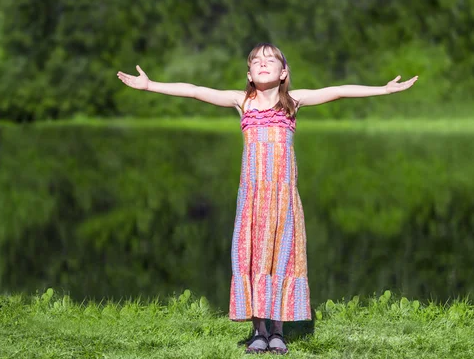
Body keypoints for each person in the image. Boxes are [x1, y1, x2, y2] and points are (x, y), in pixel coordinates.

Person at [117, 43, 418, 354]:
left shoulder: (293, 102)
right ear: (249, 74)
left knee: (282, 258)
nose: (263, 63)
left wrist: (384, 90)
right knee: (254, 258)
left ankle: (278, 331)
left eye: (270, 60)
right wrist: (150, 85)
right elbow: (194, 90)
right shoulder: (243, 102)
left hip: (284, 200)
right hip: (253, 199)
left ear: (283, 72)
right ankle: (259, 331)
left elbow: (338, 90)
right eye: (256, 61)